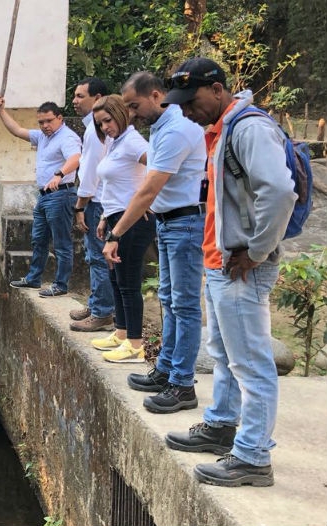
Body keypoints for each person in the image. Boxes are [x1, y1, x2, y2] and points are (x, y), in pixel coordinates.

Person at [161, 57, 295, 487]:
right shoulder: (221, 130)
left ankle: (253, 456)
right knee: (224, 354)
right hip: (221, 262)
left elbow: (278, 193)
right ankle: (222, 425)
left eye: (192, 100)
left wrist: (256, 251)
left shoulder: (250, 128)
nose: (186, 110)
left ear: (218, 89)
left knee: (251, 364)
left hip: (242, 267)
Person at [103, 71, 207, 414]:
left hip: (185, 223)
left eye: (134, 106)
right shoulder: (162, 128)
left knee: (185, 305)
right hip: (168, 223)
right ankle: (165, 369)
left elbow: (149, 188)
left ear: (157, 95)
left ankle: (182, 384)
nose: (131, 113)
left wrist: (115, 234)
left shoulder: (177, 130)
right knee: (169, 299)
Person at [83, 95, 152, 363]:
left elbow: (159, 169)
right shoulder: (116, 142)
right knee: (116, 278)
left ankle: (135, 344)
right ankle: (121, 333)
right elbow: (113, 183)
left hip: (132, 219)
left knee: (128, 283)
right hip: (114, 216)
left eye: (108, 121)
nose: (105, 128)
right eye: (100, 124)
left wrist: (151, 200)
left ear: (121, 115)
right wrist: (103, 217)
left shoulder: (134, 142)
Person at [0, 96, 81, 298]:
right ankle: (34, 278)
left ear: (59, 118)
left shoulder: (67, 137)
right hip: (44, 196)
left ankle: (61, 284)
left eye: (49, 121)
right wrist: (1, 111)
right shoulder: (43, 137)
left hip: (60, 194)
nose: (45, 125)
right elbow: (17, 130)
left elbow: (76, 158)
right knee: (38, 239)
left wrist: (59, 175)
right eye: (41, 122)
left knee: (61, 243)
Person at [69, 78, 116, 331]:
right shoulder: (94, 128)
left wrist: (79, 206)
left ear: (97, 97)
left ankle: (102, 312)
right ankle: (98, 302)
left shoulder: (95, 130)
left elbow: (89, 171)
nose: (75, 101)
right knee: (96, 256)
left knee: (99, 257)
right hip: (99, 200)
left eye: (80, 96)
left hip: (97, 201)